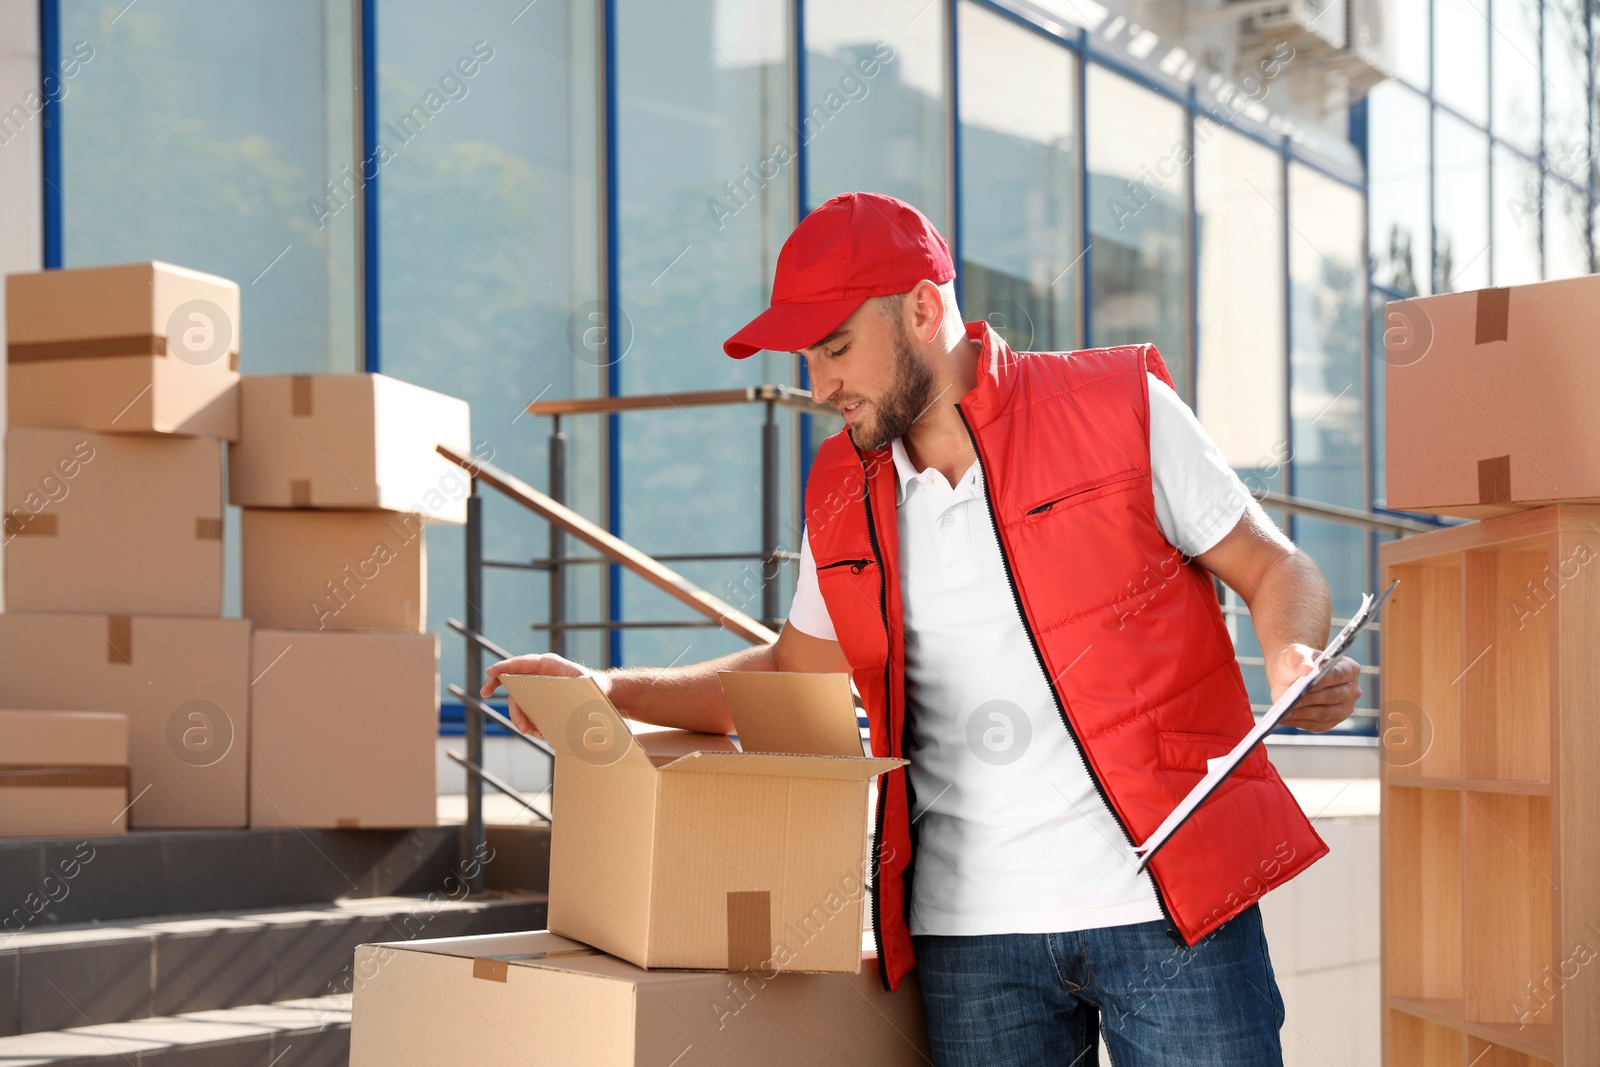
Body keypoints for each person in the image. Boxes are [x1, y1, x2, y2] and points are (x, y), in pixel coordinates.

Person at [482, 192, 1362, 1067]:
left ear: (922, 309)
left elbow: (1276, 567)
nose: (819, 385)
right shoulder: (840, 485)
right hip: (968, 943)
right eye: (808, 358)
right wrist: (610, 690)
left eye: (835, 349)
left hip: (1171, 911)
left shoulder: (1114, 401)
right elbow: (793, 678)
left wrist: (1292, 658)